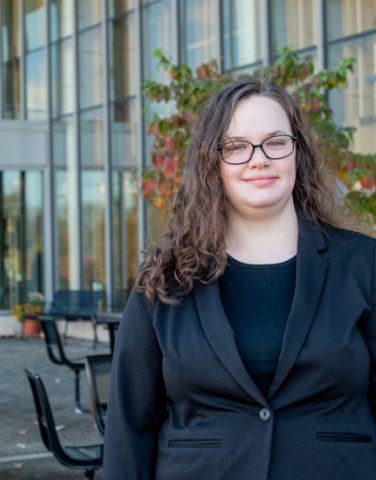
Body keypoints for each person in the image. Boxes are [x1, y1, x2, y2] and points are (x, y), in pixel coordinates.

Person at [102, 78, 376, 479]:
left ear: (297, 152)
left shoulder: (364, 264)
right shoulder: (167, 278)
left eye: (275, 142)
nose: (259, 159)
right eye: (236, 147)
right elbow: (130, 425)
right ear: (213, 162)